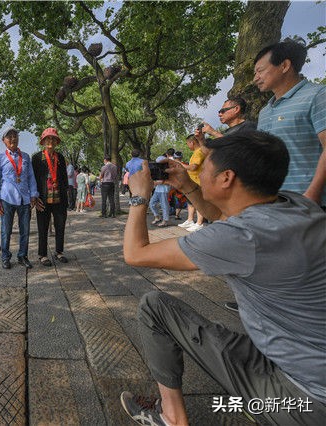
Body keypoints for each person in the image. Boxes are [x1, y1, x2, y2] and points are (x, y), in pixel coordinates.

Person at [120, 131, 326, 426]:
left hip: (305, 402)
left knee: (155, 307)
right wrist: (189, 187)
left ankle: (171, 418)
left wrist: (139, 197)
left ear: (226, 177)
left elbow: (135, 254)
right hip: (302, 360)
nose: (197, 170)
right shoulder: (298, 205)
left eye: (204, 167)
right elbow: (227, 216)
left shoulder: (241, 237)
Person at [254, 38, 326, 207]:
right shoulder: (264, 111)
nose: (255, 78)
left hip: (311, 204)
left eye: (260, 71)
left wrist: (312, 193)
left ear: (285, 66)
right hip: (273, 202)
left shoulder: (317, 96)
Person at [0, 127, 39, 270]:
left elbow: (31, 176)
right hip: (7, 198)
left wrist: (33, 194)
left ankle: (22, 256)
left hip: (24, 199)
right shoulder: (0, 158)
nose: (13, 139)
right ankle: (5, 257)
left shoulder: (25, 157)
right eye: (9, 136)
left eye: (15, 136)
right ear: (3, 140)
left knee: (25, 230)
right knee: (6, 231)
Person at [32, 127, 69, 266]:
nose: (51, 141)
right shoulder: (36, 158)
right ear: (43, 141)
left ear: (56, 141)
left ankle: (59, 252)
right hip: (43, 198)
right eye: (48, 138)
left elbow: (64, 178)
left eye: (53, 138)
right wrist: (35, 197)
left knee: (60, 226)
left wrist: (67, 195)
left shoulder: (60, 157)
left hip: (59, 198)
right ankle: (42, 255)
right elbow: (33, 179)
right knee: (42, 227)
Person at [177, 136, 205, 232]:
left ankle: (199, 223)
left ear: (192, 142)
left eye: (187, 143)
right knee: (191, 202)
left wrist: (180, 164)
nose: (187, 146)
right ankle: (190, 220)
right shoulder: (195, 153)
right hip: (192, 182)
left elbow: (193, 167)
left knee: (198, 202)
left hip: (198, 182)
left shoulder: (199, 152)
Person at [148, 149, 174, 227]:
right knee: (151, 203)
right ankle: (157, 217)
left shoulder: (169, 168)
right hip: (157, 189)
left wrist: (161, 182)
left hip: (164, 189)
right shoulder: (158, 169)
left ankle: (165, 220)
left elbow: (170, 180)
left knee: (164, 205)